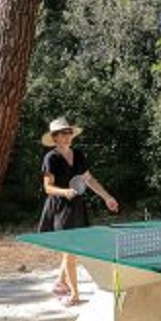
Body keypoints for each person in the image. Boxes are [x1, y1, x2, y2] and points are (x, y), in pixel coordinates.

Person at [38, 117, 119, 306]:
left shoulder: (79, 155)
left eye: (69, 133)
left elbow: (89, 180)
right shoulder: (51, 158)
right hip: (60, 208)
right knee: (70, 251)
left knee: (71, 251)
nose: (67, 136)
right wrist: (64, 191)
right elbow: (48, 188)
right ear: (55, 137)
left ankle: (61, 282)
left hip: (77, 207)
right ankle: (74, 295)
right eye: (63, 134)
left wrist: (107, 197)